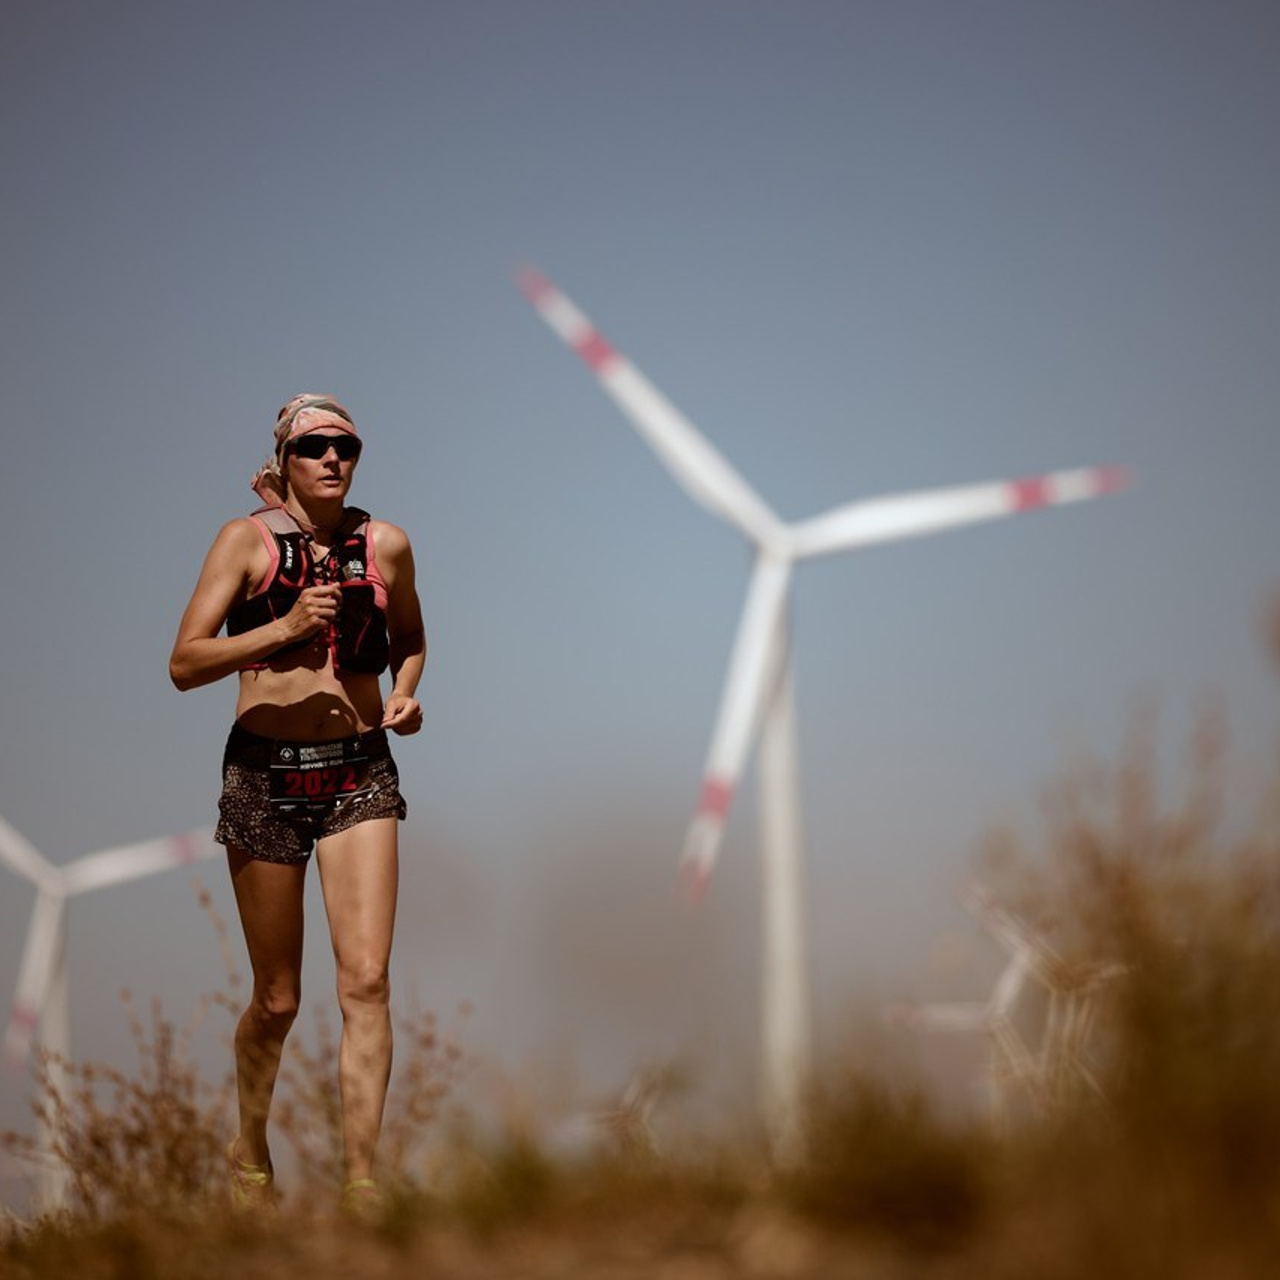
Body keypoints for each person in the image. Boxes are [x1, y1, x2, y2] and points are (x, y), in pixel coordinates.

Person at [169, 394, 426, 1210]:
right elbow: (185, 662)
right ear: (285, 457)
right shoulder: (242, 543)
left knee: (369, 980)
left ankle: (361, 1182)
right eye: (313, 446)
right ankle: (248, 1143)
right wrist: (281, 630)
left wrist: (407, 694)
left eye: (345, 447)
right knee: (279, 999)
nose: (331, 459)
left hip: (360, 771)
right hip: (265, 777)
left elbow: (412, 640)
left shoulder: (385, 544)